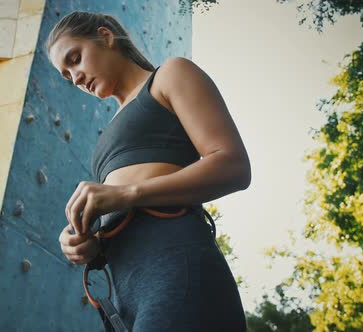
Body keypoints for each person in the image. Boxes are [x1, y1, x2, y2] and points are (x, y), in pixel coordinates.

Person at [46, 11, 250, 331]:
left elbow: (233, 165)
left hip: (176, 266)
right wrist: (89, 243)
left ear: (106, 37)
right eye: (66, 75)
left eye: (75, 58)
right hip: (129, 294)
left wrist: (124, 194)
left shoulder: (169, 75)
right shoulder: (108, 132)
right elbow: (123, 214)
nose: (76, 77)